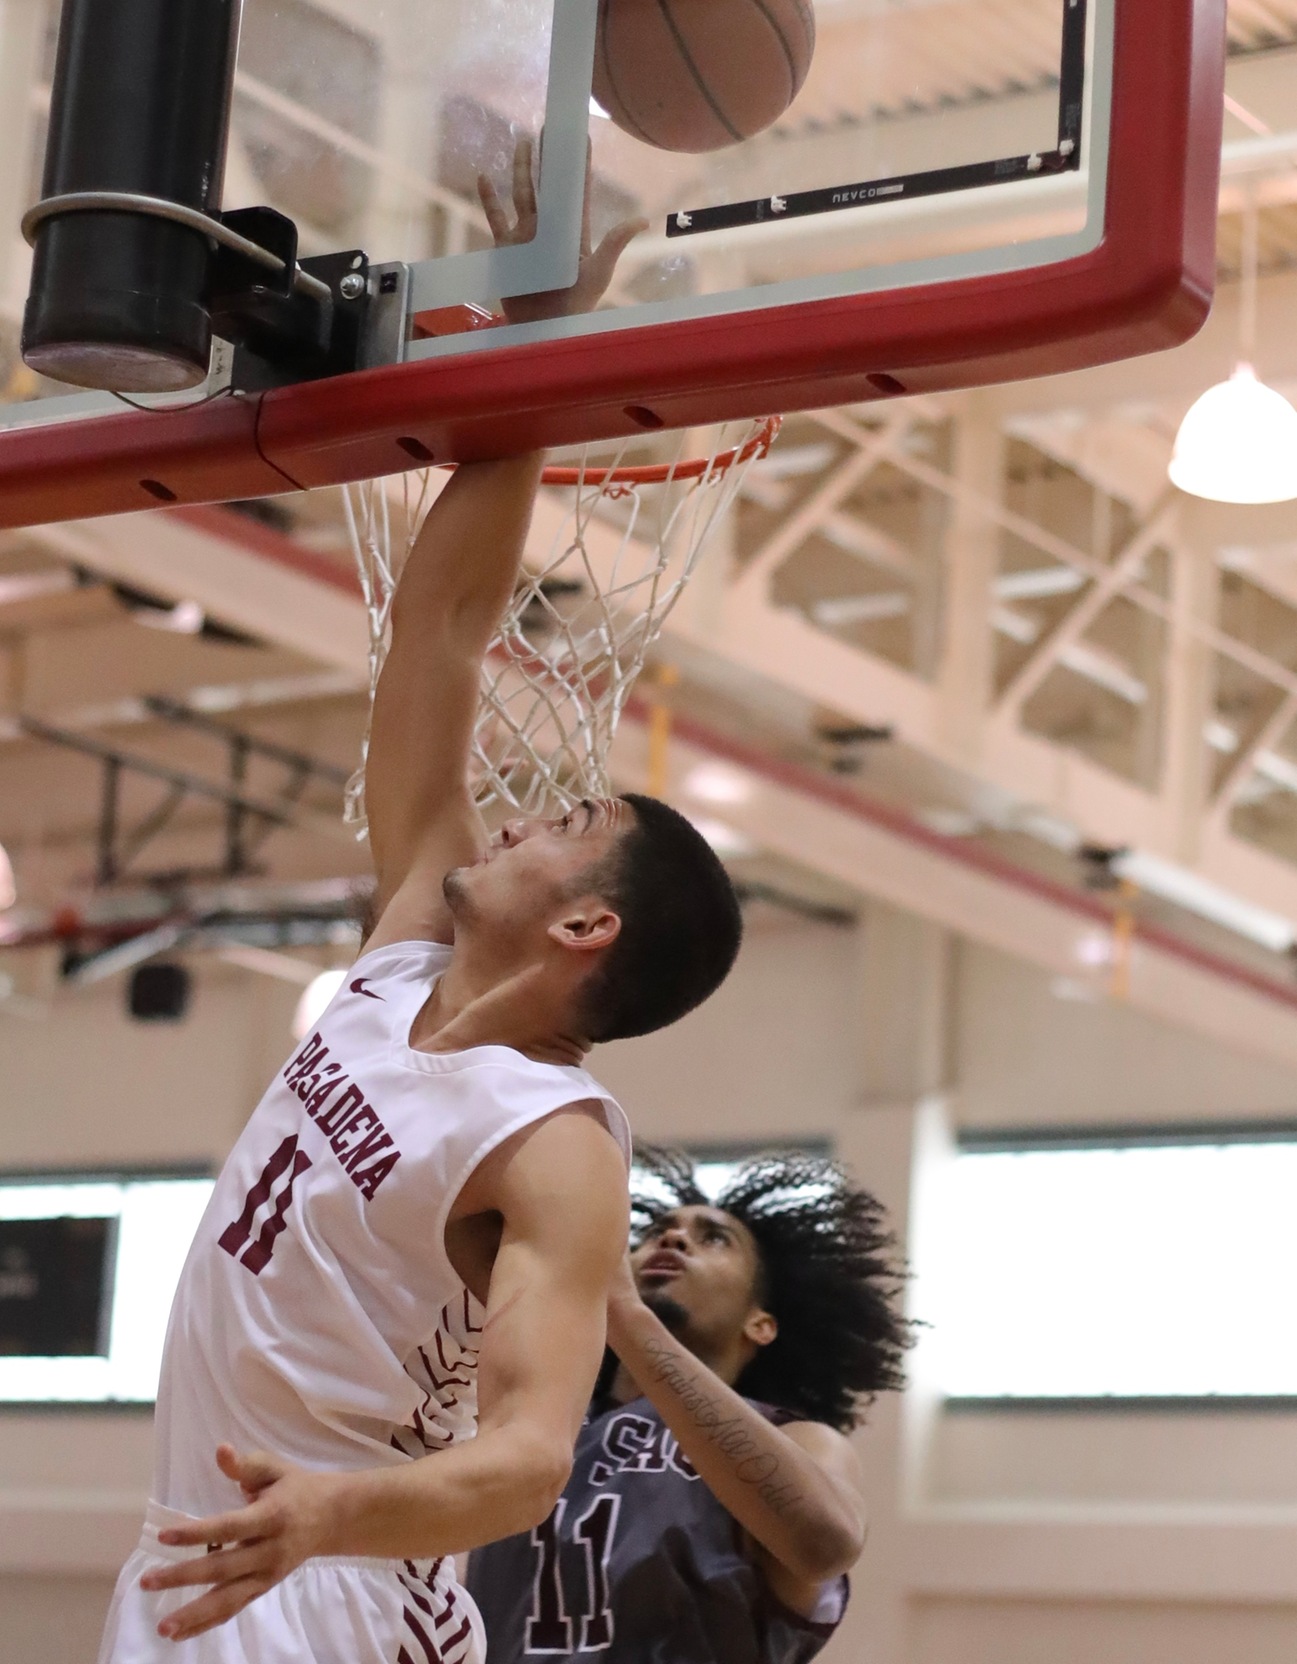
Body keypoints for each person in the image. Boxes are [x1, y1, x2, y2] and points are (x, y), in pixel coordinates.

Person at [96, 146, 741, 1664]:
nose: (523, 809)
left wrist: (331, 1510)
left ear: (588, 926)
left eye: (564, 824)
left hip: (335, 1579)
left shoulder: (552, 1148)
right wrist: (536, 332)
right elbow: (445, 630)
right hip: (211, 1549)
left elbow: (526, 1459)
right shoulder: (403, 954)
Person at [467, 1147, 911, 1664]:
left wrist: (627, 1317)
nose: (673, 1238)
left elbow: (826, 1543)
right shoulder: (540, 1422)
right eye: (657, 1231)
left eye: (713, 1238)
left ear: (759, 1323)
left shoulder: (800, 1439)